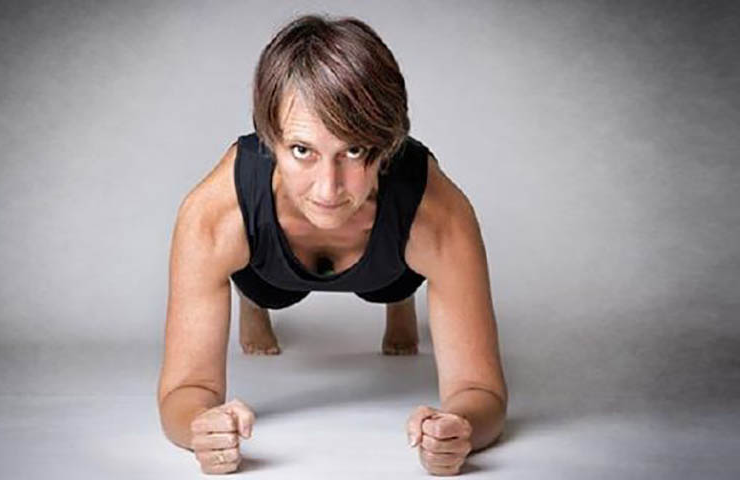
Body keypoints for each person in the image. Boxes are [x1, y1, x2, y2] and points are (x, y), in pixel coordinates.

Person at [156, 13, 507, 476]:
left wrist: (459, 427)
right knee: (268, 290)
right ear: (270, 140)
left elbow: (482, 392)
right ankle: (253, 304)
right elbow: (184, 390)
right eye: (302, 150)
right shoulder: (216, 214)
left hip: (391, 266)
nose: (328, 188)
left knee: (391, 282)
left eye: (354, 151)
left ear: (387, 145)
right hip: (265, 271)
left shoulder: (436, 213)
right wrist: (200, 425)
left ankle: (399, 301)